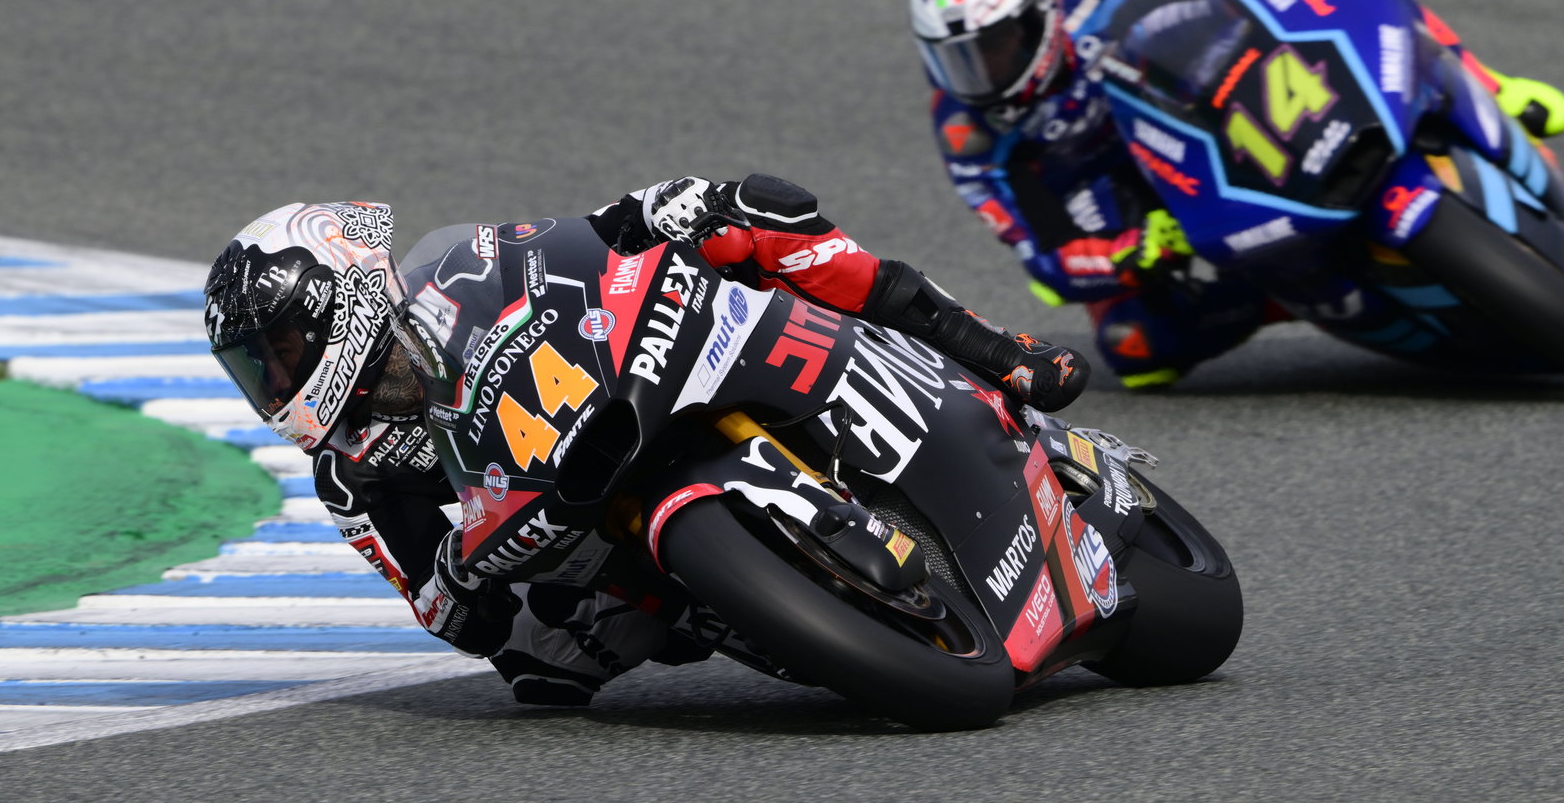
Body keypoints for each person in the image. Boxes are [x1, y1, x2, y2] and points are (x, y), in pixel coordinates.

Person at [202, 175, 1088, 706]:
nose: (276, 384)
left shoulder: (461, 267)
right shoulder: (350, 475)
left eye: (278, 352)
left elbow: (582, 241)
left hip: (628, 386)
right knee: (537, 670)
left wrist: (664, 208)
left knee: (760, 218)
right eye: (258, 370)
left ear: (341, 300)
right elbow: (448, 614)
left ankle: (995, 353)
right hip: (562, 523)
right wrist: (461, 576)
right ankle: (719, 599)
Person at [909, 0, 1564, 387]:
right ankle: (1278, 289)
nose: (983, 71)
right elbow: (1043, 257)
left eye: (997, 44)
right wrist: (1135, 250)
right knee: (1135, 348)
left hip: (1212, 106)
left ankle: (1488, 86)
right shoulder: (969, 132)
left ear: (1042, 5)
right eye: (958, 58)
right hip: (1139, 202)